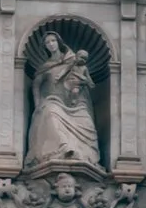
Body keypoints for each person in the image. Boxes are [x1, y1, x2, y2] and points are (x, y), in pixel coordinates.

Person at [24, 36, 102, 172]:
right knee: (50, 113)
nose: (51, 44)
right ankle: (64, 148)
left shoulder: (74, 61)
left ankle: (87, 157)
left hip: (75, 103)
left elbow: (87, 83)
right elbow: (36, 85)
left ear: (59, 42)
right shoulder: (45, 67)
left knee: (86, 120)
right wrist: (37, 105)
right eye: (47, 42)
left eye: (53, 41)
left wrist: (81, 84)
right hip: (52, 100)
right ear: (44, 47)